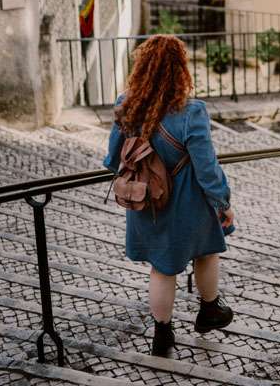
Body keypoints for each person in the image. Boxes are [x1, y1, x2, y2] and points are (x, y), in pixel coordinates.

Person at [104, 33, 235, 357]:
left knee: (162, 267)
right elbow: (207, 170)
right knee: (206, 251)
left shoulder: (126, 104)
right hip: (187, 203)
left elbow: (111, 159)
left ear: (143, 67)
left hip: (145, 202)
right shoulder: (191, 112)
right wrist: (224, 204)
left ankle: (162, 336)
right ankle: (209, 311)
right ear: (180, 70)